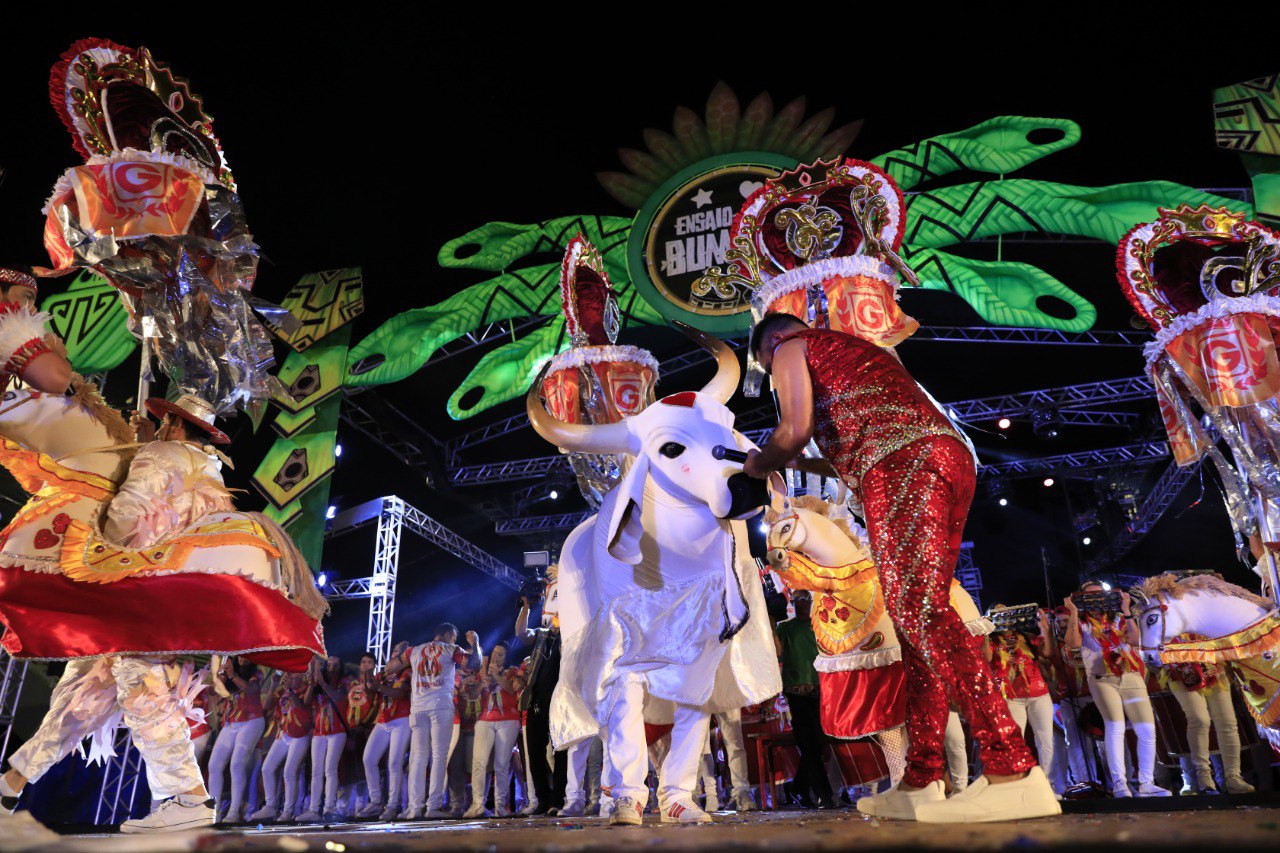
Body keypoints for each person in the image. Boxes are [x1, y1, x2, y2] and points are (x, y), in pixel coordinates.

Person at [744, 311, 1056, 823]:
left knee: (919, 611)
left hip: (903, 461)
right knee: (915, 624)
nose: (775, 375)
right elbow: (837, 450)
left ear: (771, 342)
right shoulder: (851, 355)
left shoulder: (789, 344)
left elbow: (794, 428)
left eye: (766, 365)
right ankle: (921, 777)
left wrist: (760, 463)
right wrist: (800, 462)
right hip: (944, 458)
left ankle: (1010, 767)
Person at [1062, 582, 1169, 797]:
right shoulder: (1083, 623)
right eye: (1088, 597)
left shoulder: (1120, 618)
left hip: (1130, 675)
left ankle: (1146, 783)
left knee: (1146, 729)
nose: (1095, 601)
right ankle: (1120, 783)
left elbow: (1134, 639)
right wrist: (1073, 612)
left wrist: (1127, 610)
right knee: (1115, 726)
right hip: (1102, 679)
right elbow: (1072, 643)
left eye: (1099, 596)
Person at [384, 624, 481, 819]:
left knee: (418, 757)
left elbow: (389, 668)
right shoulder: (450, 649)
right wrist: (476, 643)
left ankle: (414, 808)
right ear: (447, 635)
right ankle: (432, 807)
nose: (454, 641)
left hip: (418, 709)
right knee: (438, 756)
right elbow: (473, 665)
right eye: (454, 638)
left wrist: (402, 654)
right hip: (440, 708)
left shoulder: (415, 650)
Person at [1162, 641, 1254, 794]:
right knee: (1199, 719)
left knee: (1228, 721)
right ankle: (1203, 775)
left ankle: (1233, 777)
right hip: (1179, 666)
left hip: (1212, 663)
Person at [987, 609, 1060, 796]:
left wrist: (1045, 628)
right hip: (1012, 698)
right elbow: (986, 659)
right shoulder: (992, 642)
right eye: (998, 614)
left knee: (1046, 740)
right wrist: (985, 632)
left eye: (1007, 614)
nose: (1004, 618)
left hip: (1039, 694)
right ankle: (1018, 787)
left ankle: (1047, 786)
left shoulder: (1025, 637)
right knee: (1015, 742)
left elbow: (1047, 651)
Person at [775, 591, 836, 809]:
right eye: (798, 599)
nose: (803, 603)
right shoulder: (786, 628)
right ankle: (824, 794)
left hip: (820, 692)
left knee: (818, 742)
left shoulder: (820, 627)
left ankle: (799, 787)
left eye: (806, 599)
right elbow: (776, 652)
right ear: (792, 602)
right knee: (807, 742)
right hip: (796, 692)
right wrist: (771, 622)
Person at [514, 576, 568, 815]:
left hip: (561, 697)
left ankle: (559, 799)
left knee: (561, 750)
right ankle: (543, 799)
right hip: (537, 696)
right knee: (535, 750)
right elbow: (521, 633)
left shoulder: (570, 635)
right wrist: (526, 605)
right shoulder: (542, 634)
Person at [465, 642, 524, 817]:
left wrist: (497, 676)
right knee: (479, 762)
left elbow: (511, 689)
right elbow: (472, 695)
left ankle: (500, 806)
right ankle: (477, 804)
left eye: (501, 654)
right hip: (485, 719)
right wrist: (483, 681)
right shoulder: (482, 672)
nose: (496, 656)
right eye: (495, 653)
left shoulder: (512, 671)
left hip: (508, 720)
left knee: (501, 764)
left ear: (507, 658)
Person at [358, 642, 414, 819]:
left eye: (399, 653)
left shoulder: (408, 672)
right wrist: (369, 684)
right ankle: (376, 801)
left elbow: (401, 694)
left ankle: (392, 805)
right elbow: (371, 693)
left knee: (394, 762)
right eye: (395, 652)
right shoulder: (383, 673)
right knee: (368, 758)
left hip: (402, 719)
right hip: (383, 720)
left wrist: (379, 687)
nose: (395, 656)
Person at [207, 657, 266, 823]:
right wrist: (217, 679)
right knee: (214, 765)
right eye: (239, 655)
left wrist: (232, 676)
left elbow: (252, 691)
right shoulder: (229, 671)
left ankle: (234, 813)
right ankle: (214, 813)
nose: (242, 658)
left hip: (252, 721)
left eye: (246, 655)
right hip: (231, 722)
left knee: (236, 764)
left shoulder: (257, 672)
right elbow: (213, 692)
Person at [251, 671, 313, 822]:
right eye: (292, 676)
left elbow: (301, 706)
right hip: (283, 733)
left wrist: (288, 690)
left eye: (298, 676)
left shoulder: (307, 689)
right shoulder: (282, 690)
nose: (294, 679)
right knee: (267, 768)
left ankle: (288, 811)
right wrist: (273, 685)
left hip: (300, 735)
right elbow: (266, 706)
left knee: (289, 771)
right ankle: (270, 806)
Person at [298, 656, 352, 822]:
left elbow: (337, 697)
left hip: (337, 731)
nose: (331, 668)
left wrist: (322, 683)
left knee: (330, 769)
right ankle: (313, 809)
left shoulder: (345, 681)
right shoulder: (318, 683)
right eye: (328, 665)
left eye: (335, 665)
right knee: (316, 771)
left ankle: (329, 807)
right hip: (319, 732)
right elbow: (306, 702)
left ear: (340, 667)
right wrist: (311, 684)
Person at [448, 667, 482, 816]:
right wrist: (460, 685)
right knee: (455, 767)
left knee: (476, 768)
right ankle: (456, 805)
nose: (466, 660)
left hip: (477, 728)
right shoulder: (452, 674)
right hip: (457, 726)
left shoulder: (482, 675)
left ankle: (473, 803)